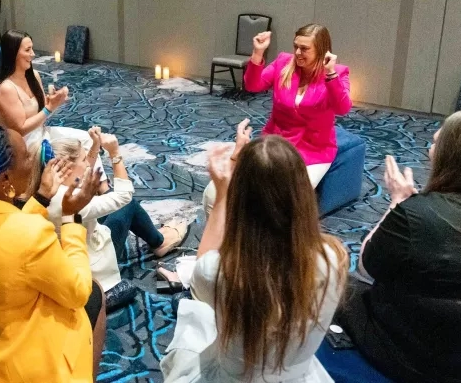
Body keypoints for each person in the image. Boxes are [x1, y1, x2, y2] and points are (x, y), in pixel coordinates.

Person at [341, 108, 461, 383]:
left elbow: (366, 266)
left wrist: (398, 201)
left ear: (452, 156)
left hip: (415, 358)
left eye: (436, 143)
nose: (430, 148)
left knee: (335, 281)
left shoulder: (416, 214)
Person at [161, 132, 348, 382]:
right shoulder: (334, 257)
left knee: (196, 321)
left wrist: (222, 193)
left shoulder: (220, 272)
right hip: (299, 375)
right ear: (303, 193)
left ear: (240, 200)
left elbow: (200, 275)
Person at [0, 123, 106, 382]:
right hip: (16, 370)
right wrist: (71, 218)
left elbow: (2, 234)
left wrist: (42, 198)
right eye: (25, 157)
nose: (32, 160)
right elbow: (77, 292)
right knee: (94, 293)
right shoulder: (31, 234)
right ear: (4, 179)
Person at [202, 24, 351, 216]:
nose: (298, 53)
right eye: (296, 46)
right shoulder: (284, 62)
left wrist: (331, 75)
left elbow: (342, 108)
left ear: (322, 50)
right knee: (221, 193)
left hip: (313, 151)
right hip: (274, 144)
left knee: (282, 203)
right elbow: (253, 85)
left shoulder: (337, 72)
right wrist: (258, 53)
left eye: (304, 49)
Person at [27, 128, 188, 293]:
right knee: (127, 205)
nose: (87, 163)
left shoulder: (44, 188)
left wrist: (95, 147)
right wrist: (115, 154)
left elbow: (82, 173)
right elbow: (124, 196)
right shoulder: (71, 201)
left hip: (62, 260)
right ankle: (159, 242)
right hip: (88, 270)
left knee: (108, 202)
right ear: (67, 167)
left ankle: (156, 238)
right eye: (83, 159)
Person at [0, 30, 107, 182]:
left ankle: (101, 185)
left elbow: (43, 115)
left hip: (42, 133)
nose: (33, 54)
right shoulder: (6, 88)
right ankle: (81, 187)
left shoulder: (34, 76)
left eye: (32, 49)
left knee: (89, 139)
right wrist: (49, 108)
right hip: (24, 147)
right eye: (27, 50)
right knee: (71, 154)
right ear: (12, 53)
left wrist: (56, 102)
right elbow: (21, 129)